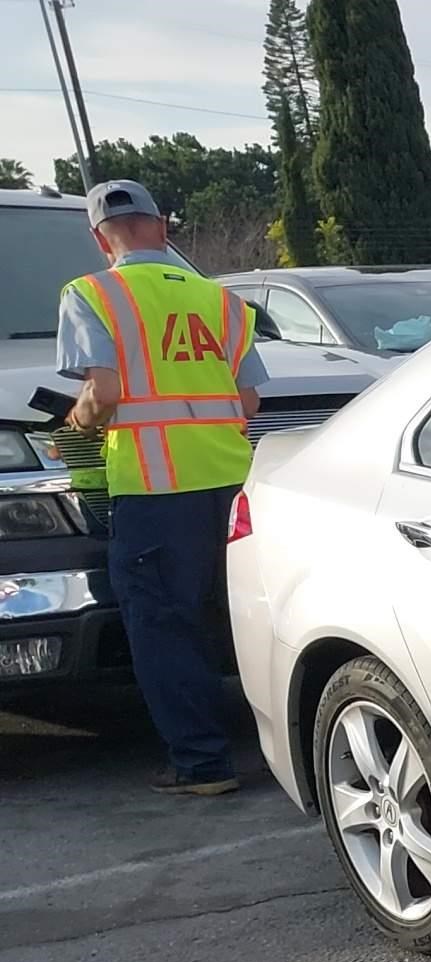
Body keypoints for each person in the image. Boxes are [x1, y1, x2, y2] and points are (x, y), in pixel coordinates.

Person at [57, 179, 267, 797]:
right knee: (234, 616)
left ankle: (200, 765)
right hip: (233, 481)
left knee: (163, 625)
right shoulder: (221, 301)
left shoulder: (91, 292)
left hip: (153, 488)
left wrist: (77, 421)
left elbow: (105, 394)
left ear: (100, 239)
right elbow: (249, 398)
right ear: (163, 226)